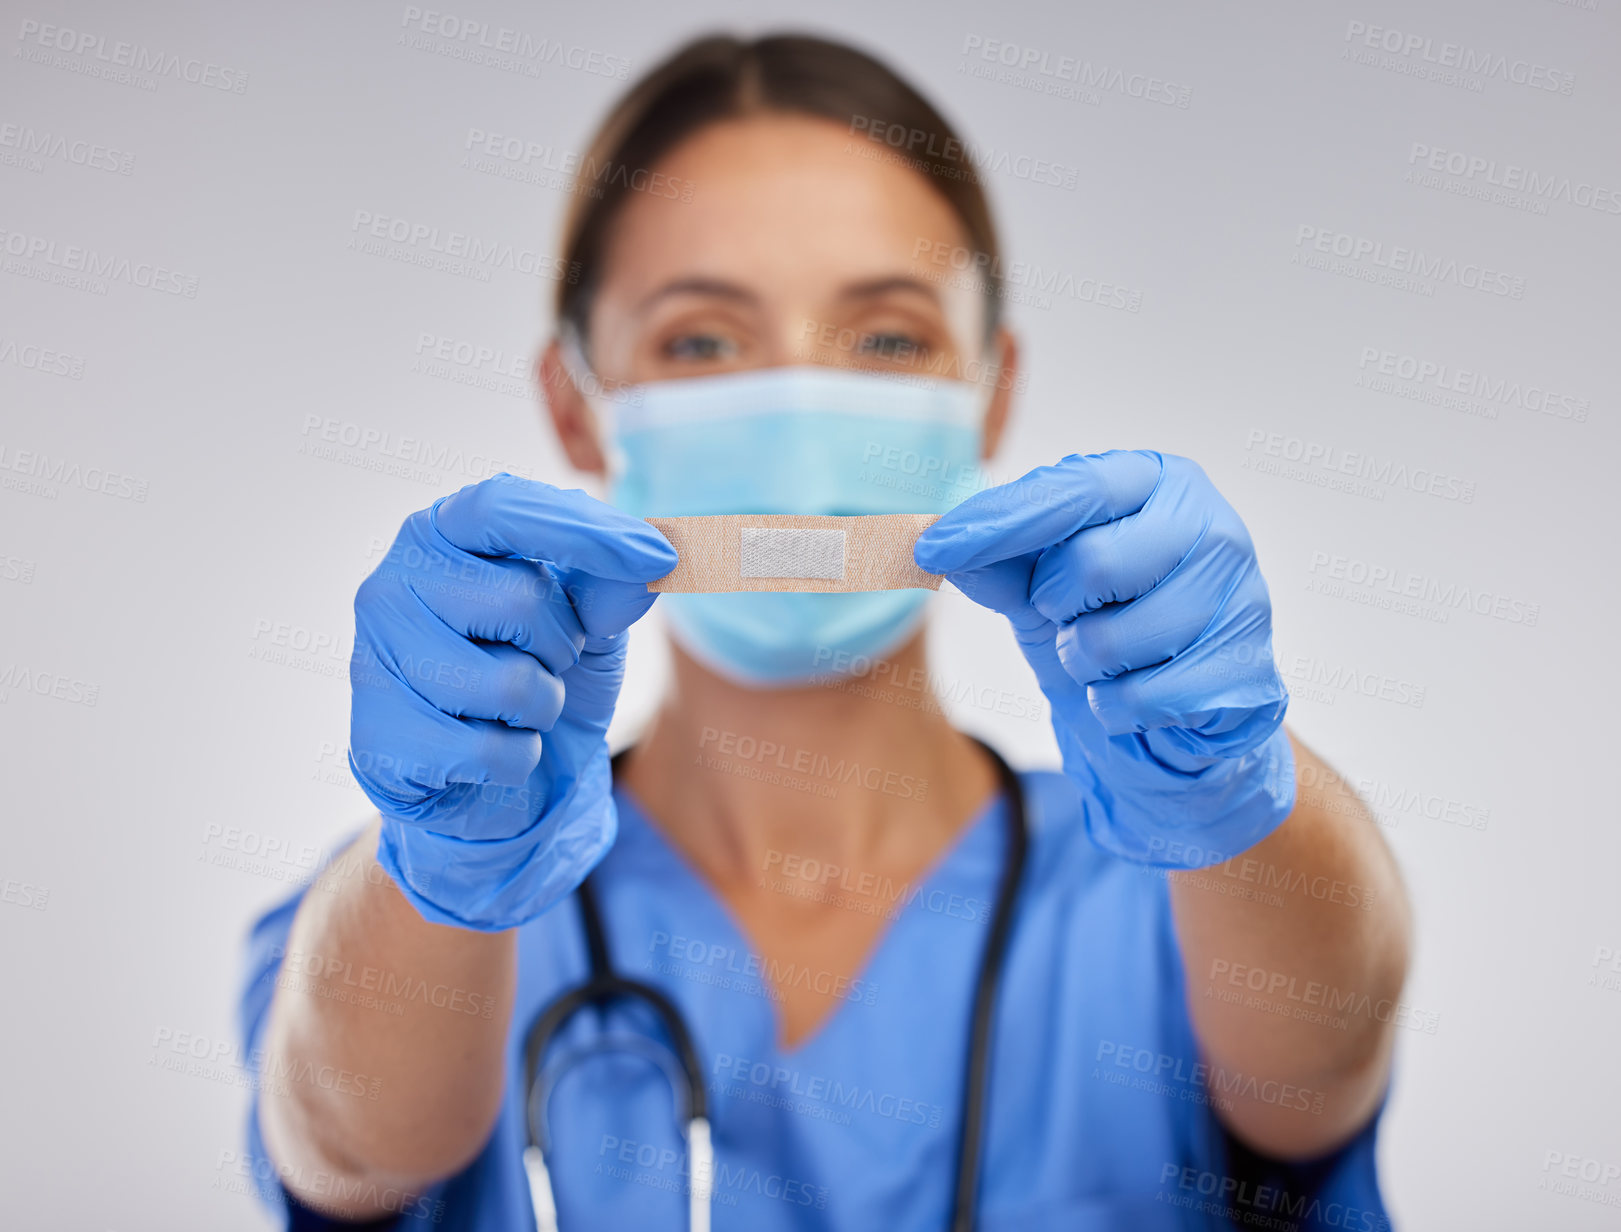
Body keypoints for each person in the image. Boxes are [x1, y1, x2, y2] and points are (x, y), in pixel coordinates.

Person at [237, 32, 1410, 1231]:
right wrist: (441, 874)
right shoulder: (448, 899)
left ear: (990, 389)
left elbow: (1329, 1037)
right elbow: (348, 1143)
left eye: (887, 336)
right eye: (701, 339)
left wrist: (1230, 787)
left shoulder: (1170, 885)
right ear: (573, 404)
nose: (798, 411)